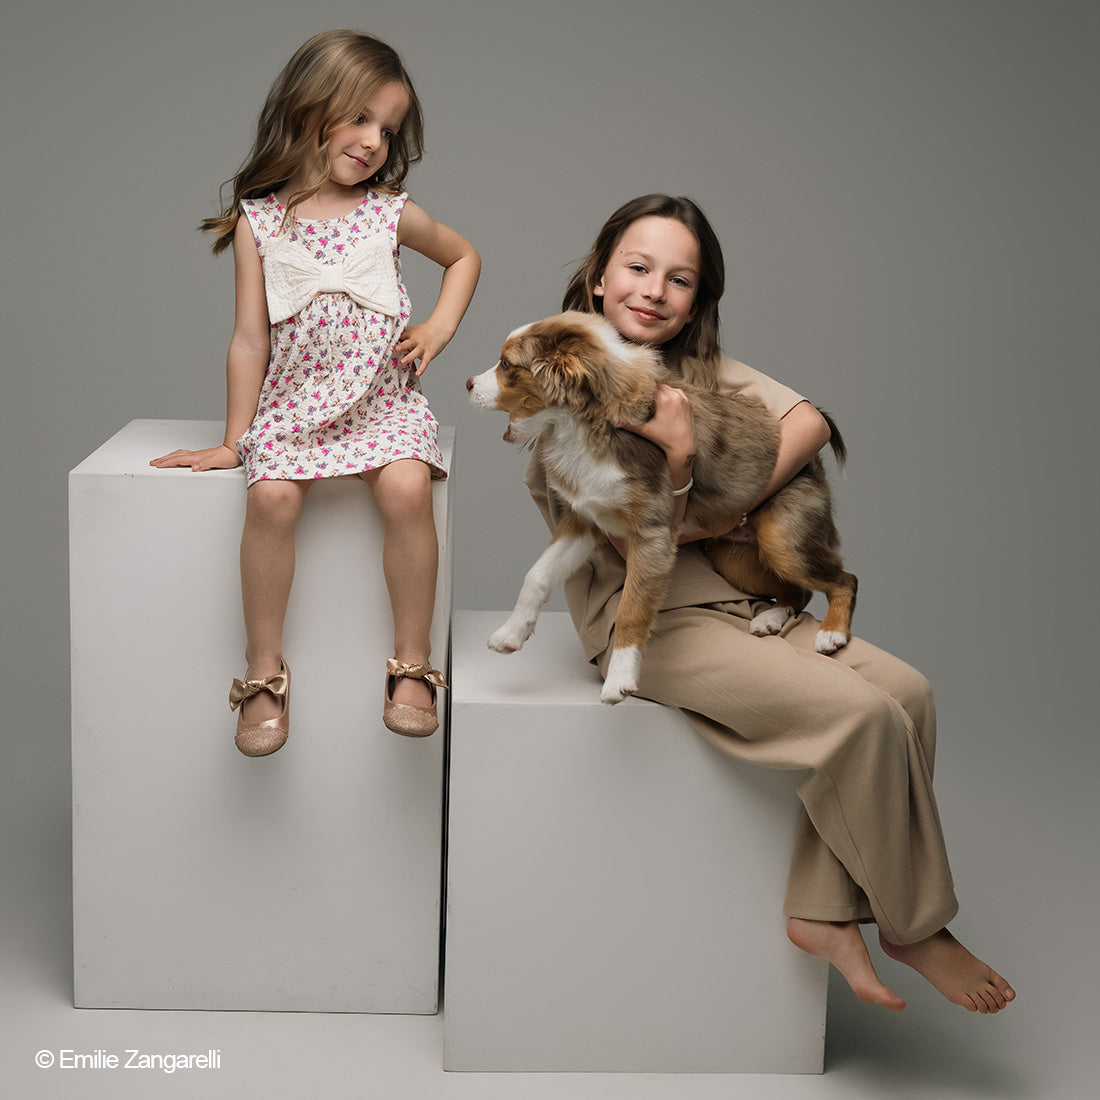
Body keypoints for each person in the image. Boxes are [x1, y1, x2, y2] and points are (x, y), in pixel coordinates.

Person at [526, 193, 1015, 1014]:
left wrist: (727, 497)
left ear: (698, 300)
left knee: (908, 696)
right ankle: (914, 925)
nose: (654, 290)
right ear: (600, 275)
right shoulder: (559, 381)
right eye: (638, 268)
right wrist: (691, 468)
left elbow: (814, 421)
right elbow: (645, 541)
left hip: (752, 603)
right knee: (858, 719)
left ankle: (823, 910)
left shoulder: (700, 373)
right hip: (652, 625)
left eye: (680, 279)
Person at [151, 30, 479, 750]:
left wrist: (438, 329)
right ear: (308, 107)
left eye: (388, 130)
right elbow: (249, 339)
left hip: (381, 403)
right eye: (360, 117)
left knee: (406, 489)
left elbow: (463, 256)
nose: (374, 141)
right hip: (294, 408)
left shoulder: (390, 211)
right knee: (269, 496)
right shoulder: (259, 221)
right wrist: (236, 442)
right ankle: (264, 670)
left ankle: (412, 664)